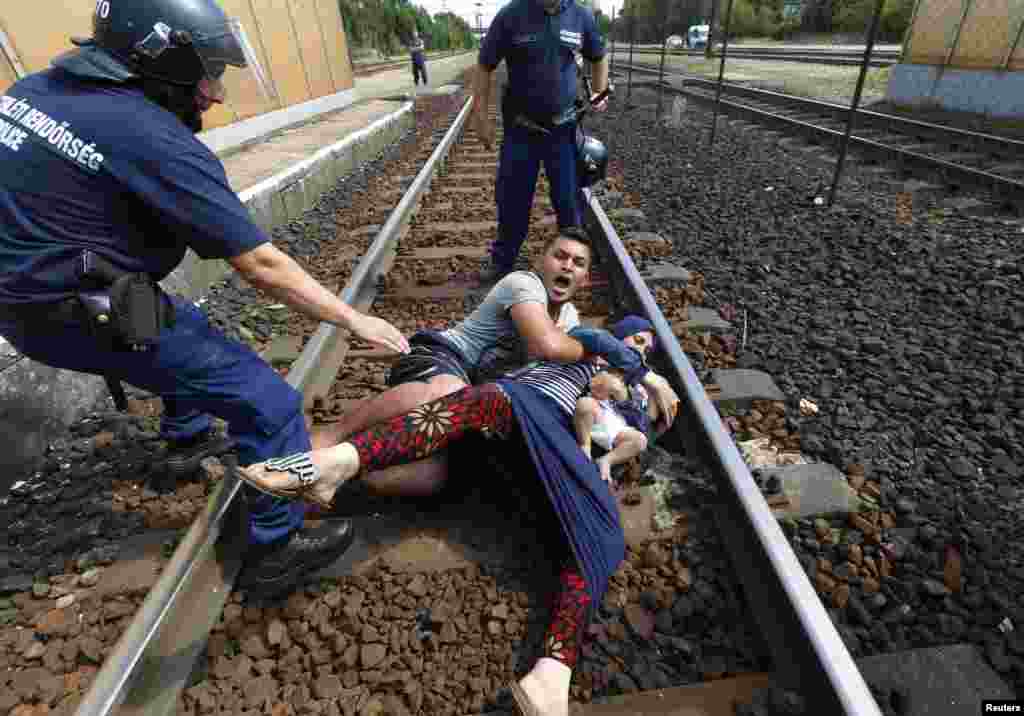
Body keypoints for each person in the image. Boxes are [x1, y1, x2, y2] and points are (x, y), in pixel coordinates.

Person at [0, 0, 409, 599]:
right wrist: (353, 319)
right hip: (74, 313)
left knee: (175, 321)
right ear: (161, 59)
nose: (216, 94)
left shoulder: (34, 90)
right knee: (269, 404)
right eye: (208, 73)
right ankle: (277, 546)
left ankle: (187, 433)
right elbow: (261, 264)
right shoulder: (150, 138)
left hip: (21, 300)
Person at [237, 339, 678, 715]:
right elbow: (590, 345)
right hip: (514, 426)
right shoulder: (582, 352)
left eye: (647, 349)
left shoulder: (632, 405)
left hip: (553, 469)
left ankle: (553, 671)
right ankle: (339, 462)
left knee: (606, 538)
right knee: (496, 397)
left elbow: (637, 440)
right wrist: (644, 372)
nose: (639, 349)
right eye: (635, 338)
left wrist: (641, 406)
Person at [313, 229, 678, 497]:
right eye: (560, 256)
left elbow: (576, 373)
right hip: (443, 356)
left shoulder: (569, 316)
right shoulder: (524, 284)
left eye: (577, 263)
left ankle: (341, 477)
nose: (567, 265)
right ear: (541, 261)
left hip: (476, 394)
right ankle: (332, 435)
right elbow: (547, 345)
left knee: (440, 474)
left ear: (583, 279)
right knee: (449, 392)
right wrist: (635, 369)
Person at [471, 0, 611, 284]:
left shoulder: (580, 16)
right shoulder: (511, 15)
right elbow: (484, 67)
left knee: (568, 203)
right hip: (521, 130)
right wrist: (481, 117)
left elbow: (598, 56)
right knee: (513, 200)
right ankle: (503, 262)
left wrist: (599, 91)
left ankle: (574, 267)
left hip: (564, 130)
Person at [574, 316, 658, 484]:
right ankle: (585, 446)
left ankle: (607, 460)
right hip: (592, 415)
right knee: (585, 405)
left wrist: (622, 397)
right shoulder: (597, 357)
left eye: (647, 351)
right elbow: (578, 333)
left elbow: (643, 423)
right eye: (639, 340)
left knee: (639, 441)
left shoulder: (638, 383)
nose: (641, 350)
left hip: (616, 429)